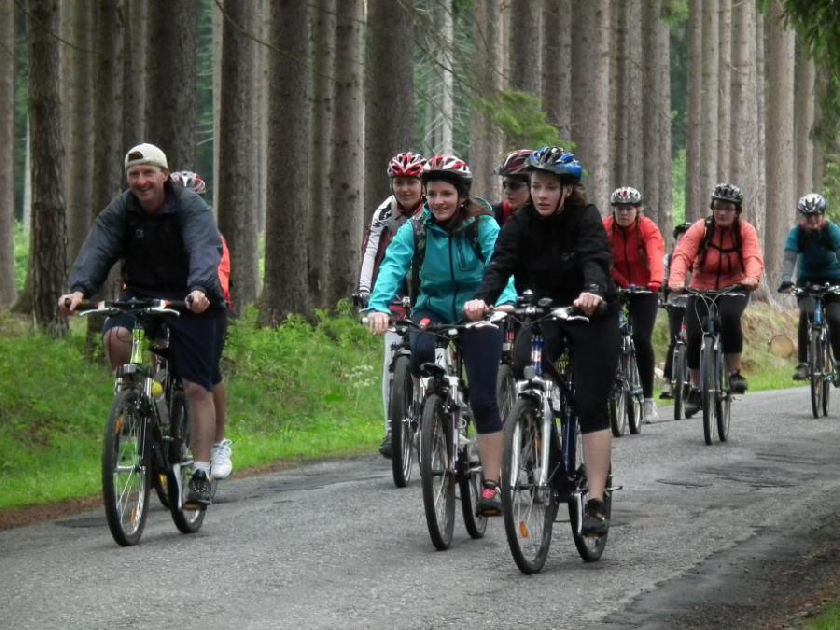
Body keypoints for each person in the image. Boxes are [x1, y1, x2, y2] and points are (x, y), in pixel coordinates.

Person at [59, 143, 225, 506]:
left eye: (148, 173)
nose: (141, 181)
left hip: (190, 297)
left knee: (198, 387)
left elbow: (203, 248)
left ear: (164, 175)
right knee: (117, 336)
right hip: (140, 294)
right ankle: (136, 405)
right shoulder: (122, 209)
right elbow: (99, 247)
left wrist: (198, 289)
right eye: (134, 175)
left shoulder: (189, 207)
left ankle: (199, 470)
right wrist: (78, 289)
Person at [465, 146, 620, 535]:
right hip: (543, 312)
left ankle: (597, 499)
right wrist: (483, 299)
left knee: (588, 403)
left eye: (551, 187)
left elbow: (595, 259)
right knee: (523, 363)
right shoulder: (520, 223)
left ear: (568, 190)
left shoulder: (584, 218)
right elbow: (500, 265)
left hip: (589, 314)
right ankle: (542, 437)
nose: (542, 194)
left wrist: (594, 291)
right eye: (536, 186)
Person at [366, 154, 517, 515]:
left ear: (461, 195)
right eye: (432, 194)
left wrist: (502, 303)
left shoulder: (483, 226)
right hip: (432, 307)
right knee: (417, 353)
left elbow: (502, 266)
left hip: (479, 308)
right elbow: (392, 265)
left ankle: (491, 485)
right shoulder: (416, 228)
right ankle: (437, 415)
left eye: (445, 194)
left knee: (483, 398)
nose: (438, 201)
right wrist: (378, 306)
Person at [668, 183, 764, 417]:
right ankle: (696, 388)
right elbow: (682, 255)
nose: (722, 212)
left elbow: (752, 256)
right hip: (701, 286)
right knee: (692, 335)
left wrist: (752, 278)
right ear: (712, 207)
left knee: (730, 316)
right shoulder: (701, 229)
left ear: (737, 210)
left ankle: (734, 374)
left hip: (735, 285)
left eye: (728, 208)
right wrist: (677, 281)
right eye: (718, 207)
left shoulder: (745, 231)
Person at [357, 152, 427, 459]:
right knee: (392, 353)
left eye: (412, 182)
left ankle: (450, 419)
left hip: (427, 278)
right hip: (394, 280)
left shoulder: (435, 207)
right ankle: (392, 428)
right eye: (399, 182)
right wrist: (365, 293)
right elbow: (372, 249)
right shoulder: (385, 209)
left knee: (434, 350)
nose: (405, 189)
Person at [169, 170, 233, 479]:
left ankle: (219, 442)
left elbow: (218, 277)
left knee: (208, 370)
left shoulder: (212, 236)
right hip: (169, 305)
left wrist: (203, 295)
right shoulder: (159, 230)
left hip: (205, 306)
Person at [603, 186, 666, 421]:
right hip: (616, 285)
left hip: (646, 287)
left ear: (638, 210)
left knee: (640, 338)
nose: (624, 213)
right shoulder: (606, 228)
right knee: (608, 335)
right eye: (619, 208)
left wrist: (656, 281)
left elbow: (655, 255)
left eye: (629, 209)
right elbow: (598, 256)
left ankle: (649, 399)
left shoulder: (647, 228)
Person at [778, 193, 840, 380]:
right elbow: (790, 258)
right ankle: (803, 364)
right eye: (808, 216)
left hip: (833, 280)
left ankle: (838, 362)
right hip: (807, 282)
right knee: (806, 313)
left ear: (823, 214)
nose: (813, 219)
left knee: (835, 318)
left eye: (817, 215)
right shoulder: (797, 233)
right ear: (803, 217)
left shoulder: (832, 230)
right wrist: (787, 279)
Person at [660, 222, 693, 399]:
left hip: (695, 303)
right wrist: (664, 288)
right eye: (681, 238)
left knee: (698, 340)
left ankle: (704, 379)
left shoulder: (700, 256)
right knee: (675, 341)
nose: (684, 242)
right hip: (675, 304)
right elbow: (663, 278)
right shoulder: (670, 258)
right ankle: (668, 382)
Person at [492, 149, 533, 227]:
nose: (506, 191)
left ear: (533, 186)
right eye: (505, 185)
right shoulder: (497, 214)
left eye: (513, 185)